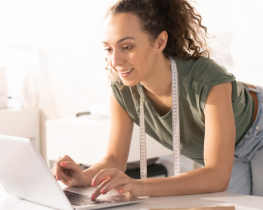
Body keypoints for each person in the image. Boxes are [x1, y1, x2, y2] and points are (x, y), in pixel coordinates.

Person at [51, 0, 263, 199]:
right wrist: (83, 177)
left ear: (160, 42)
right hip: (224, 158)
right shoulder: (123, 91)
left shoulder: (206, 80)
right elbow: (115, 159)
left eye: (127, 47)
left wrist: (141, 186)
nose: (115, 60)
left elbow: (217, 176)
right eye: (108, 48)